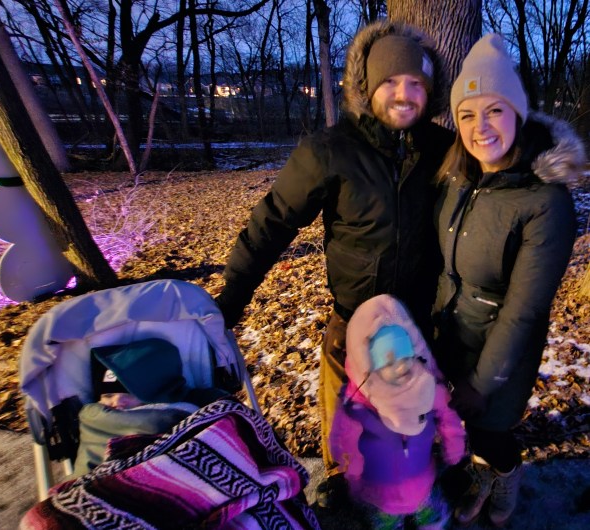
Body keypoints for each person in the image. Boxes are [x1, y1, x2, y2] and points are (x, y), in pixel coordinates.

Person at [215, 19, 453, 508]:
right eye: (390, 81)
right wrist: (232, 298)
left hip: (418, 322)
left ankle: (413, 476)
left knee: (409, 424)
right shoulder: (329, 151)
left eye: (416, 83)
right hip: (354, 321)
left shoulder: (444, 152)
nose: (404, 94)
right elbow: (271, 224)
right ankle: (342, 478)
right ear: (368, 87)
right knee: (349, 423)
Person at [432, 33, 585, 527]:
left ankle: (507, 478)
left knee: (493, 432)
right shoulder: (459, 178)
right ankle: (482, 474)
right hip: (451, 332)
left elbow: (526, 306)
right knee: (470, 430)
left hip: (501, 348)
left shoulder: (546, 202)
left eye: (494, 110)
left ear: (517, 113)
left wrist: (482, 380)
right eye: (468, 115)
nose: (481, 128)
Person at [329, 294, 466, 530]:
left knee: (426, 503)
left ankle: (427, 515)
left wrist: (453, 446)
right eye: (389, 360)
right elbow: (343, 438)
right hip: (378, 487)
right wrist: (350, 469)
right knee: (385, 514)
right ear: (370, 364)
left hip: (422, 479)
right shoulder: (358, 404)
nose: (401, 366)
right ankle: (388, 520)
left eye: (405, 355)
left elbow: (448, 418)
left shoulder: (426, 387)